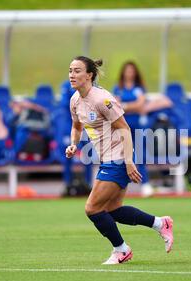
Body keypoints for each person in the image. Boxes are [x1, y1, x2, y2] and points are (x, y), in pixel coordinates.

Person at [66, 56, 174, 264]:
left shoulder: (102, 99)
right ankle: (161, 224)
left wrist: (129, 161)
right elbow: (76, 126)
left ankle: (121, 250)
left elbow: (124, 128)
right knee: (112, 210)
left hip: (117, 158)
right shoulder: (75, 100)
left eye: (77, 70)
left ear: (89, 75)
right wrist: (74, 144)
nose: (72, 74)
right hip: (107, 159)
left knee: (92, 209)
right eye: (70, 70)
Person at [113, 61, 154, 197]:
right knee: (122, 154)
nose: (129, 73)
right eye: (127, 70)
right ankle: (119, 186)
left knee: (140, 154)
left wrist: (125, 106)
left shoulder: (138, 88)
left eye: (132, 70)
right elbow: (115, 105)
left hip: (137, 125)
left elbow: (140, 105)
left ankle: (145, 184)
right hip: (122, 125)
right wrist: (132, 106)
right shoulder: (118, 88)